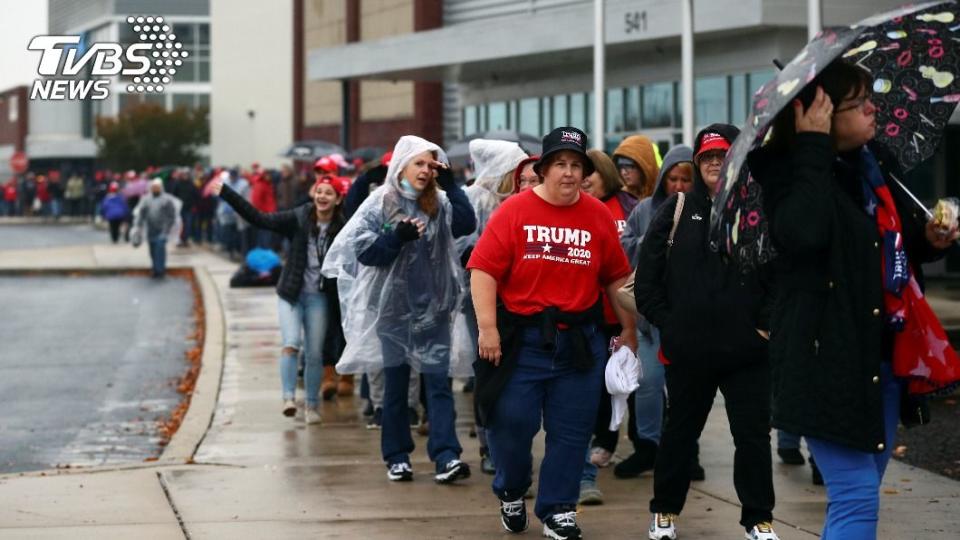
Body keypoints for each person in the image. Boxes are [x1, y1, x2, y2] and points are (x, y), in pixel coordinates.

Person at [748, 59, 958, 540]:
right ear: (818, 112)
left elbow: (885, 247)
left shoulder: (870, 167)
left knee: (861, 492)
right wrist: (813, 148)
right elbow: (805, 233)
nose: (871, 111)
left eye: (870, 100)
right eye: (857, 103)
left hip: (879, 358)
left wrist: (929, 238)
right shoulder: (786, 173)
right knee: (856, 497)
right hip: (824, 361)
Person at [469, 127, 636, 539]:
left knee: (572, 432)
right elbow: (483, 270)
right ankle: (511, 488)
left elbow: (617, 279)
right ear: (543, 169)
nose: (568, 173)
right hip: (522, 341)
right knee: (510, 423)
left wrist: (629, 330)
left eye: (576, 165)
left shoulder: (597, 215)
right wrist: (487, 329)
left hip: (580, 344)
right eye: (559, 164)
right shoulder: (514, 211)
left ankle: (559, 509)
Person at [635, 125, 779, 540]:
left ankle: (758, 518)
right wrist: (672, 325)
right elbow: (647, 282)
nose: (716, 163)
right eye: (707, 157)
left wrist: (764, 328)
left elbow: (778, 276)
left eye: (724, 155)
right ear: (697, 164)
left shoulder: (758, 208)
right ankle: (665, 512)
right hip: (690, 351)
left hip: (748, 352)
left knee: (752, 438)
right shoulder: (678, 207)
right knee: (679, 435)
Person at [322, 135, 477, 484]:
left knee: (438, 385)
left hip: (434, 310)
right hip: (393, 312)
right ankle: (396, 456)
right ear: (402, 166)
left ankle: (447, 456)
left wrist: (452, 186)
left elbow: (467, 225)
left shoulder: (439, 201)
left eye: (430, 164)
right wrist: (396, 237)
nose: (425, 170)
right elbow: (364, 253)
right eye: (419, 163)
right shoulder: (380, 201)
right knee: (396, 387)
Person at [212, 170, 349, 424]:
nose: (322, 196)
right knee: (291, 344)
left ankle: (311, 405)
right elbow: (260, 218)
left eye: (329, 193)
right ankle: (288, 399)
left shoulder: (343, 227)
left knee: (315, 353)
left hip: (318, 297)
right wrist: (227, 193)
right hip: (291, 293)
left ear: (338, 199)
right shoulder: (298, 218)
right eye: (319, 191)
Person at [614, 146, 695, 481]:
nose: (678, 186)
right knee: (648, 383)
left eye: (684, 180)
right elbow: (625, 247)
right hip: (649, 315)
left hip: (688, 317)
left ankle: (687, 450)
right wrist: (650, 240)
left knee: (686, 387)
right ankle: (647, 445)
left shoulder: (704, 210)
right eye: (672, 179)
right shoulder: (645, 209)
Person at [457, 138, 529, 476]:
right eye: (516, 173)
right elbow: (459, 245)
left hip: (517, 301)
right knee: (487, 370)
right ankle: (488, 444)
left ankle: (511, 445)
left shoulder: (526, 204)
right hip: (481, 300)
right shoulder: (474, 199)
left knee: (517, 377)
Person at [578, 148, 639, 505]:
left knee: (615, 384)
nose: (584, 180)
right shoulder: (579, 208)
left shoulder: (628, 206)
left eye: (590, 174)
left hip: (621, 312)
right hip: (589, 313)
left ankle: (610, 439)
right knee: (594, 384)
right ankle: (600, 441)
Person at [133, 179, 179, 278]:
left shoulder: (166, 200)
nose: (155, 189)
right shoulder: (146, 200)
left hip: (162, 229)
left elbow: (171, 216)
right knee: (152, 250)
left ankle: (160, 270)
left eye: (157, 187)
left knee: (160, 249)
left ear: (161, 187)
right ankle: (155, 267)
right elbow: (141, 214)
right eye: (153, 187)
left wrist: (167, 230)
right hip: (151, 229)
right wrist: (138, 226)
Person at [613, 135, 660, 201]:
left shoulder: (663, 192)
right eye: (621, 166)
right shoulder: (621, 198)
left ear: (643, 165)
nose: (624, 172)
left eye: (629, 166)